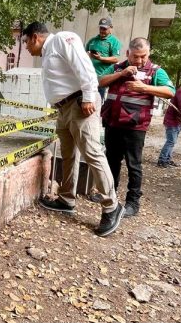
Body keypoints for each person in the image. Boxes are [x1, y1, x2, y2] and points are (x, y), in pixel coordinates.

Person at [21, 22, 125, 236]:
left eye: (25, 42)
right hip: (65, 108)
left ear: (34, 37)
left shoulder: (61, 39)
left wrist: (88, 96)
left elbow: (84, 66)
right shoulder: (49, 51)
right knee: (69, 155)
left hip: (80, 104)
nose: (26, 47)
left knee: (93, 153)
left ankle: (111, 206)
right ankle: (67, 199)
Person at [98, 37, 175, 217]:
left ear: (149, 53)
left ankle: (133, 202)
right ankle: (110, 196)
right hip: (112, 123)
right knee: (111, 161)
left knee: (134, 164)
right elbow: (100, 81)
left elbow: (170, 91)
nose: (140, 61)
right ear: (128, 54)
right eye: (135, 57)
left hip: (135, 126)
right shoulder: (118, 67)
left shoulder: (156, 71)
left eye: (143, 56)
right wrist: (121, 74)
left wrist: (144, 88)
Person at [85, 17, 120, 100]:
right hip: (89, 76)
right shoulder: (92, 40)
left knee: (97, 101)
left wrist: (100, 58)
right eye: (101, 28)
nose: (102, 31)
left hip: (102, 77)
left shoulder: (114, 41)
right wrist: (87, 55)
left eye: (104, 29)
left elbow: (116, 59)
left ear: (111, 28)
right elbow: (84, 54)